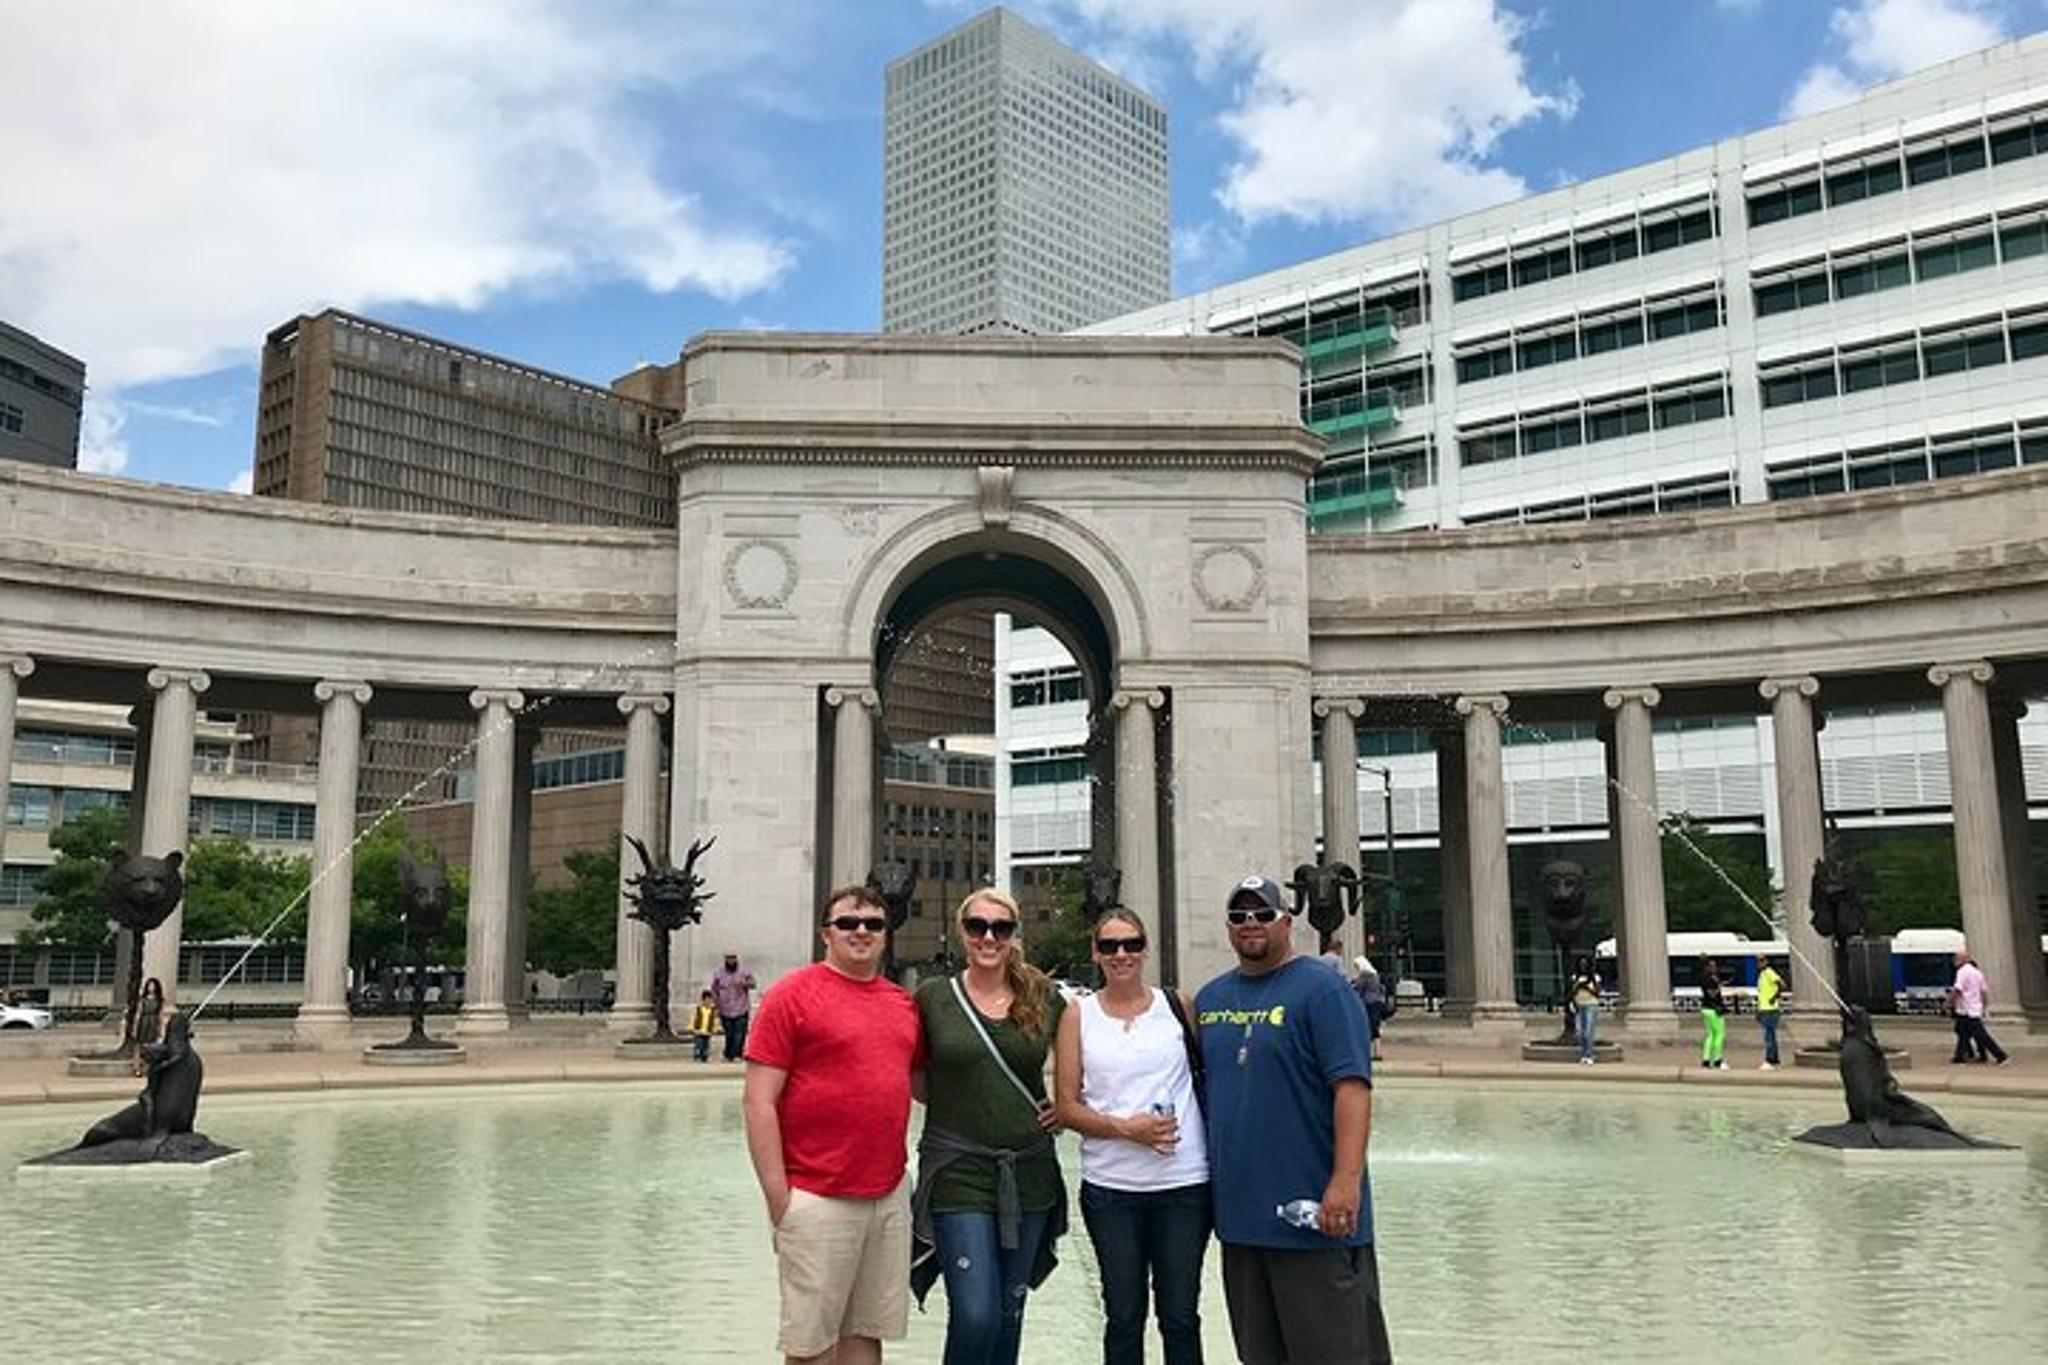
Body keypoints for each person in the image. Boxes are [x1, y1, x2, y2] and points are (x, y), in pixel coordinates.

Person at [1197, 874, 1390, 1365]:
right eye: (1240, 916)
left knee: (1336, 1353)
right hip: (1241, 1224)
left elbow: (1352, 1086)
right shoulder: (1211, 999)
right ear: (1228, 927)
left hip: (1314, 1217)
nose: (1251, 924)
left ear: (1286, 921)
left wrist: (1345, 1181)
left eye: (1263, 913)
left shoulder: (1322, 989)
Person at [743, 886, 921, 1365]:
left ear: (886, 937)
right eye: (847, 923)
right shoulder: (790, 995)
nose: (860, 931)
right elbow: (759, 1101)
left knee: (866, 1336)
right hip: (815, 1195)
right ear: (826, 934)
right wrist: (780, 1197)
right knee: (810, 1347)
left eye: (873, 924)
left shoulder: (902, 1004)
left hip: (886, 1195)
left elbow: (924, 1086)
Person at [911, 888, 1066, 1365]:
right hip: (959, 1172)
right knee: (976, 1314)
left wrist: (1066, 1109)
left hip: (1030, 1173)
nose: (989, 937)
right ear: (962, 931)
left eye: (1000, 928)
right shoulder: (932, 997)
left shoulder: (1045, 997)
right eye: (978, 926)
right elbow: (917, 1080)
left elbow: (1087, 1069)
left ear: (1014, 935)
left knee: (1009, 1311)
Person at [1053, 908, 1210, 1365]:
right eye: (1109, 946)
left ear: (1145, 948)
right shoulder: (1077, 1015)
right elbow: (1065, 1107)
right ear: (1095, 954)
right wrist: (1127, 1130)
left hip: (1184, 1186)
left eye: (1131, 944)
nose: (1121, 954)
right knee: (1123, 1316)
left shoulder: (1178, 1005)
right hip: (1111, 1190)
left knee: (1181, 1316)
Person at [1948, 950, 2010, 1066]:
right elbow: (1984, 992)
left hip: (1967, 1008)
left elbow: (1957, 989)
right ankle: (1959, 1056)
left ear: (1964, 960)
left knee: (1980, 1034)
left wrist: (1948, 1002)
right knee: (1962, 1032)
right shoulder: (1977, 972)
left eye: (1956, 959)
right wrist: (1983, 1006)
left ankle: (2001, 1055)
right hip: (1973, 1008)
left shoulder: (1962, 972)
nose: (1954, 961)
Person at [712, 952, 757, 1062]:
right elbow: (714, 990)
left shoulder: (744, 972)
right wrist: (716, 1006)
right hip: (725, 1008)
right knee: (729, 1033)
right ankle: (728, 1054)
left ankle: (738, 1054)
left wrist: (745, 984)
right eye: (728, 958)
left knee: (740, 1033)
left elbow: (753, 984)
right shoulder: (718, 973)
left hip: (741, 1007)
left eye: (733, 958)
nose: (731, 961)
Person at [1353, 956, 1389, 1062]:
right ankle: (1377, 1052)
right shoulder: (1375, 974)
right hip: (1376, 1002)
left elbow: (1359, 988)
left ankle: (1367, 1052)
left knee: (1367, 1028)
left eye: (1357, 966)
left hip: (1368, 1004)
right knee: (1374, 1028)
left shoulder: (1365, 975)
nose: (1357, 968)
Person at [1569, 956, 1601, 1065]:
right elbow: (1572, 993)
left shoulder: (1595, 978)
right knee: (1579, 1032)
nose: (1583, 966)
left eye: (1585, 963)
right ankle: (1583, 1054)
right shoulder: (1575, 977)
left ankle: (1589, 1055)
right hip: (1579, 1005)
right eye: (1581, 963)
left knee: (1588, 1032)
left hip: (1591, 1005)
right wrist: (1577, 989)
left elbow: (1598, 992)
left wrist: (1587, 988)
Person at [1698, 959, 1728, 1071]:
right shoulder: (1710, 979)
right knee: (1719, 1034)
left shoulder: (1702, 977)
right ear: (1707, 967)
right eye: (1713, 966)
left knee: (1710, 1035)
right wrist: (1719, 985)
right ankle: (1717, 1060)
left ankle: (1706, 1060)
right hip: (1714, 1009)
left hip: (1706, 1009)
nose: (1715, 968)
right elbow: (1712, 994)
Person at [1755, 954, 1784, 1070]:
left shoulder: (1768, 972)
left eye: (1761, 960)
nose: (1759, 963)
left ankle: (1770, 1060)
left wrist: (1774, 997)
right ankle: (1774, 1059)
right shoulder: (1762, 974)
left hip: (1770, 1009)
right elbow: (1761, 994)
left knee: (1769, 1036)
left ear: (1766, 961)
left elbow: (1780, 984)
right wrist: (1758, 1010)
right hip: (1765, 1008)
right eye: (1758, 961)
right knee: (1770, 1034)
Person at [133, 976, 165, 1058]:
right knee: (139, 1045)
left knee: (152, 1045)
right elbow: (138, 1013)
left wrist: (161, 1029)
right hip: (144, 1021)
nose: (151, 988)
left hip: (154, 1022)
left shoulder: (160, 1000)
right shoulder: (143, 999)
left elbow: (161, 1015)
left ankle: (148, 1066)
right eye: (149, 985)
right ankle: (137, 1067)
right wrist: (135, 1026)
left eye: (153, 986)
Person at [690, 989, 719, 1064]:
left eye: (710, 1000)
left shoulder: (712, 1010)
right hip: (699, 1031)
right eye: (706, 1000)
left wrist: (714, 1030)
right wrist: (693, 1029)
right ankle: (697, 1056)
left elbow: (714, 1021)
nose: (708, 1002)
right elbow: (694, 1019)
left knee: (706, 1045)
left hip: (707, 1032)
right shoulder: (699, 1009)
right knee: (698, 1045)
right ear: (703, 1000)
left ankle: (704, 1057)